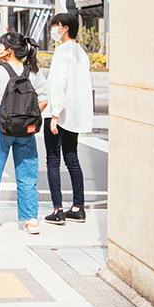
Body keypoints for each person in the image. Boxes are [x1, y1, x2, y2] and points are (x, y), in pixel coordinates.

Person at [0, 32, 48, 235]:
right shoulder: (34, 71)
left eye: (1, 47)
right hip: (26, 126)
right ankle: (31, 220)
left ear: (7, 50)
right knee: (27, 173)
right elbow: (45, 98)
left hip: (2, 123)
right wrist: (29, 116)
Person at [43, 13, 94, 225]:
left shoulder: (62, 51)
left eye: (55, 25)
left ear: (64, 28)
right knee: (72, 158)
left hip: (59, 113)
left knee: (53, 161)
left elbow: (58, 83)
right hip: (74, 115)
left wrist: (55, 114)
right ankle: (78, 207)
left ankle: (58, 210)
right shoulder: (81, 52)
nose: (53, 29)